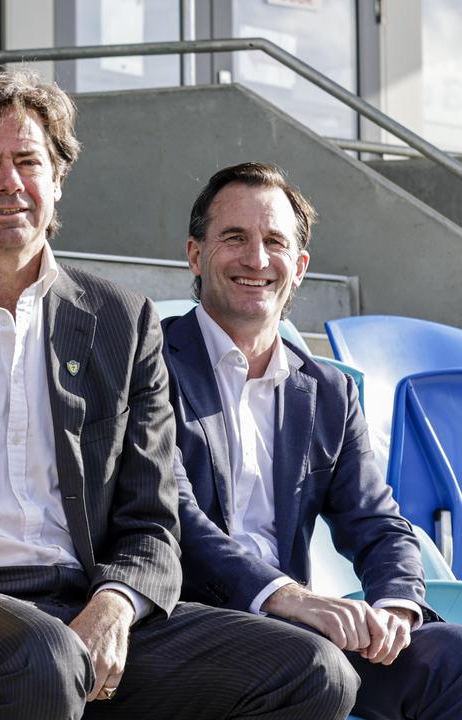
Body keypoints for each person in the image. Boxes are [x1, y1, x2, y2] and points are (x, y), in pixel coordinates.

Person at [0, 70, 358, 720]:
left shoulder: (123, 320)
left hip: (92, 597)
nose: (11, 183)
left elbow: (153, 518)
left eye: (29, 162)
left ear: (58, 179)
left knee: (314, 671)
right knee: (43, 658)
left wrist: (117, 603)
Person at [166, 160, 462, 719]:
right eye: (234, 238)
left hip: (302, 628)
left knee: (451, 657)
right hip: (196, 627)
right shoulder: (149, 363)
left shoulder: (327, 390)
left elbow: (377, 522)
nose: (256, 260)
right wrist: (288, 597)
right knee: (308, 663)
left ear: (299, 267)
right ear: (195, 255)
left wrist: (395, 608)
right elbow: (174, 515)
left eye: (274, 242)